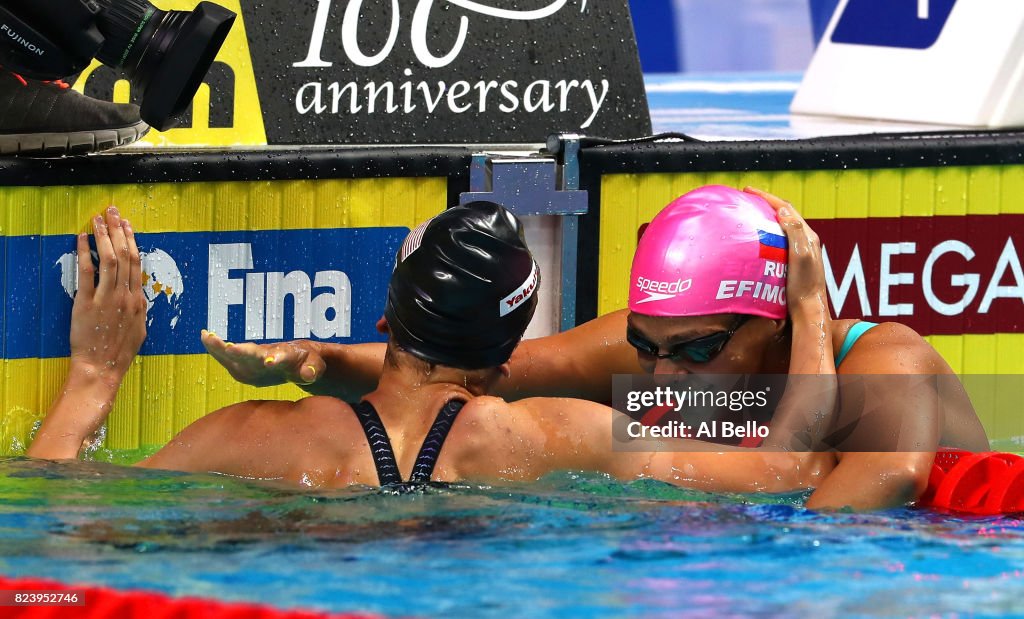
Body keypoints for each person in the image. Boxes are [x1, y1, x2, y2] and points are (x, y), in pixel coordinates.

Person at [202, 186, 990, 510]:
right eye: (646, 348)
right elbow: (485, 375)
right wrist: (323, 360)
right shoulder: (651, 350)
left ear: (775, 318)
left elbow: (842, 509)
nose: (662, 375)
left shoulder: (890, 363)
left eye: (697, 350)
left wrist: (814, 309)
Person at [27, 200, 835, 497]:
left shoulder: (252, 435)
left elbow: (57, 513)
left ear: (384, 322)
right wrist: (806, 306)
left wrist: (96, 373)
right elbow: (792, 471)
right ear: (504, 361)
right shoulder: (554, 435)